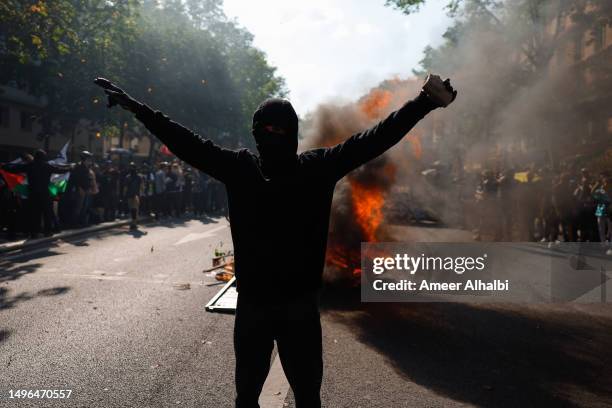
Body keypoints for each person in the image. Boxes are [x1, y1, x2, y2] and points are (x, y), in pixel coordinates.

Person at [95, 74, 457, 408]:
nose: (273, 135)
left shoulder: (253, 167)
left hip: (277, 307)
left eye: (277, 130)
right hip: (272, 306)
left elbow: (374, 139)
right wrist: (424, 102)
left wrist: (136, 107)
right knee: (270, 397)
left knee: (278, 398)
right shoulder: (304, 167)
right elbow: (184, 141)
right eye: (269, 129)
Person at [1, 149, 73, 237]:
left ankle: (34, 232)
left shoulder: (30, 166)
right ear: (43, 157)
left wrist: (4, 166)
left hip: (33, 193)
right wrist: (70, 168)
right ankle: (48, 232)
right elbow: (59, 170)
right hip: (44, 193)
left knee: (34, 214)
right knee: (47, 213)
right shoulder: (47, 166)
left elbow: (15, 169)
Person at [123, 162, 143, 230]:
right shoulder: (139, 177)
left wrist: (124, 194)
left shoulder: (128, 177)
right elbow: (141, 186)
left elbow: (125, 187)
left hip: (131, 195)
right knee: (134, 210)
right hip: (135, 195)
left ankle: (133, 223)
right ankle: (133, 224)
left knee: (132, 210)